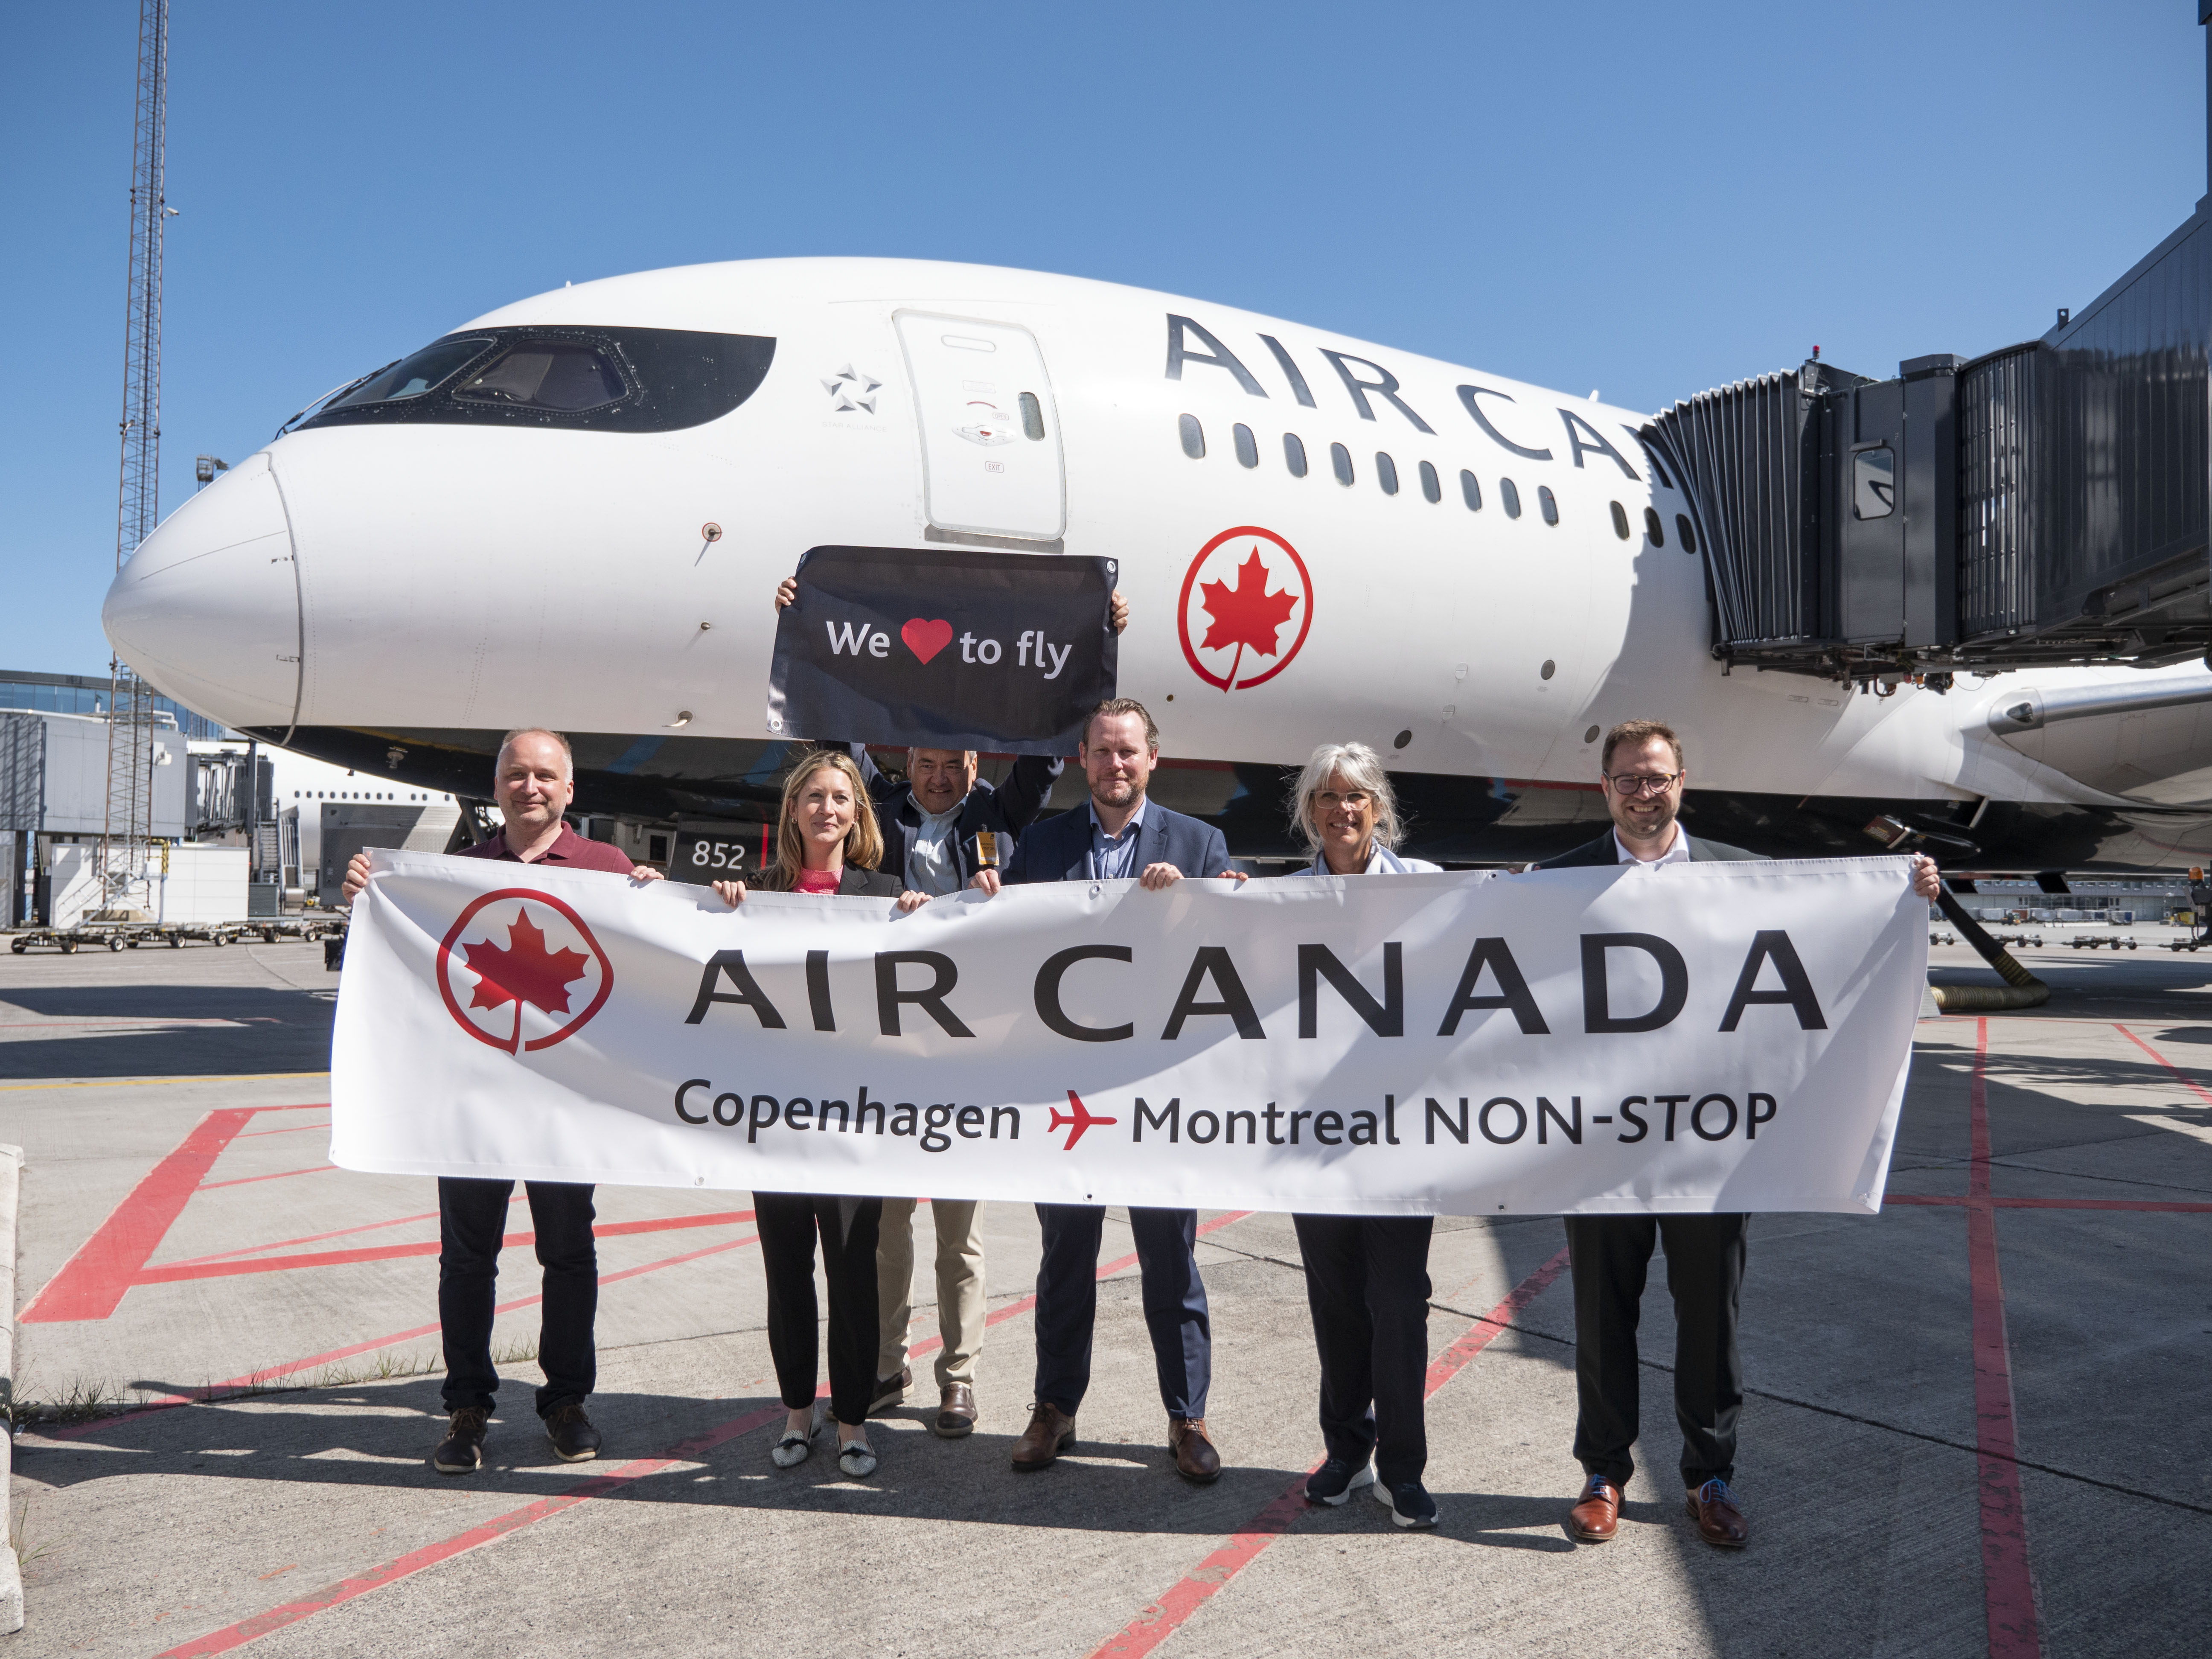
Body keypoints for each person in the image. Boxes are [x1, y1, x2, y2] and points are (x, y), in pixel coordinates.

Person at [1539, 719, 1941, 1550]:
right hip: (1600, 1145)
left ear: (1684, 780)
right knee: (1601, 1318)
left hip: (1713, 1148)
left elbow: (1841, 933)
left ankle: (1708, 1475)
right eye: (1626, 779)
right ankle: (1603, 1473)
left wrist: (1909, 892)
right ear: (1604, 787)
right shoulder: (1551, 883)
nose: (1642, 792)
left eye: (1656, 777)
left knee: (1708, 1323)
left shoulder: (1751, 880)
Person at [773, 573, 1127, 1438]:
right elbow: (835, 749)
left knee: (958, 1235)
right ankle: (886, 1367)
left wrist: (1098, 646)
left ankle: (958, 1376)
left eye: (953, 763)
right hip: (888, 1053)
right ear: (906, 765)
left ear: (974, 766)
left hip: (969, 1055)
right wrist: (803, 630)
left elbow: (1049, 745)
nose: (937, 774)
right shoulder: (878, 819)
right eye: (925, 761)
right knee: (887, 1228)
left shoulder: (1000, 818)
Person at [341, 727, 664, 1476]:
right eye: (517, 775)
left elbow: (652, 971)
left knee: (568, 1255)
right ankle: (467, 1408)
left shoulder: (607, 869)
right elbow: (400, 960)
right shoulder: (455, 872)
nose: (531, 787)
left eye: (545, 776)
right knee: (467, 1259)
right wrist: (368, 895)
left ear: (570, 790)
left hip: (564, 1104)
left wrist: (662, 902)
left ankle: (567, 1403)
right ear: (498, 788)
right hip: (476, 1101)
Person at [968, 698, 1240, 1481]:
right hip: (1069, 1087)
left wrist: (1211, 897)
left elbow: (1232, 945)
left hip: (1158, 1090)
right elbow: (1004, 946)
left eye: (1128, 753)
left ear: (1153, 758)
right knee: (1065, 1257)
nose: (1115, 767)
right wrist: (980, 898)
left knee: (1171, 1259)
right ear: (1082, 760)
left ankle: (1187, 1417)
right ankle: (1054, 1407)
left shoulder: (1198, 843)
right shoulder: (1043, 846)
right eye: (1101, 754)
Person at [709, 748, 929, 1480]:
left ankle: (854, 1421)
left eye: (840, 797)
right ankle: (798, 1412)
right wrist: (681, 898)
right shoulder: (757, 890)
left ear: (857, 812)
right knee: (787, 1274)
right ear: (794, 810)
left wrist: (924, 921)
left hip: (851, 1122)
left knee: (852, 1277)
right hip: (771, 1120)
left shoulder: (887, 892)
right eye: (814, 797)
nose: (826, 809)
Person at [1278, 742, 1444, 1530]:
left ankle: (1402, 1468)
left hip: (1401, 1139)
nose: (1342, 811)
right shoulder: (1277, 903)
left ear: (1379, 809)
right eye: (1327, 798)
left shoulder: (1433, 890)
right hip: (1314, 1140)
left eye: (1356, 798)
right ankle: (1346, 1449)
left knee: (1399, 1301)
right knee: (1336, 1300)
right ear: (1309, 812)